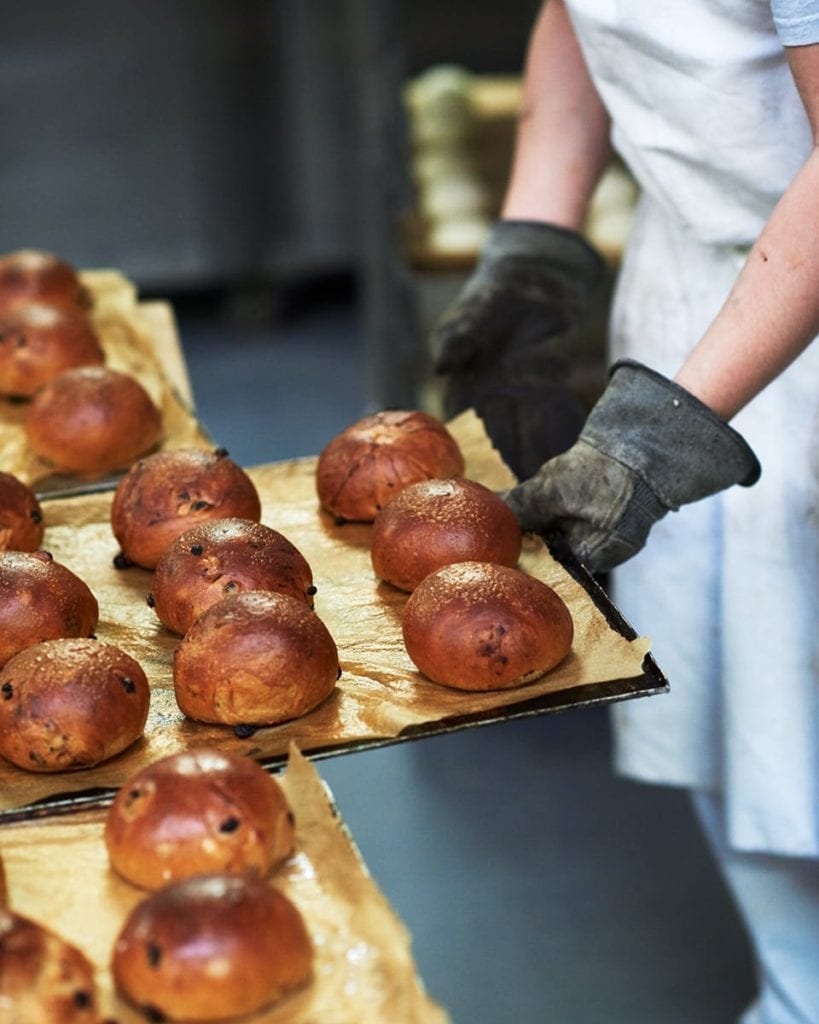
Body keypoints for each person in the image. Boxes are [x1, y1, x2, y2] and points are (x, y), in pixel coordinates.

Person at [430, 3, 819, 1022]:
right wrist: (535, 242)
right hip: (696, 281)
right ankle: (796, 986)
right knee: (728, 684)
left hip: (796, 298)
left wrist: (663, 435)